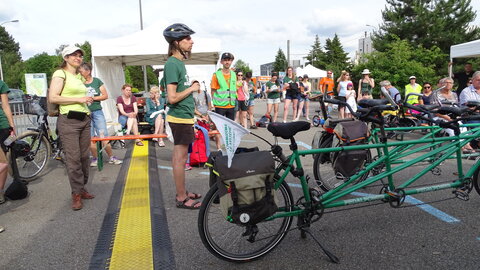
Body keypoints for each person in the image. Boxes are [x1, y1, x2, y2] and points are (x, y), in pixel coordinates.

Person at [48, 46, 94, 210]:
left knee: (84, 157)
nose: (78, 57)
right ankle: (76, 193)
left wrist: (86, 100)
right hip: (68, 120)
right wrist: (80, 98)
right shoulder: (60, 73)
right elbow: (53, 97)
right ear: (66, 57)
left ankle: (81, 188)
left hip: (84, 118)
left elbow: (79, 96)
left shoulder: (79, 77)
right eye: (74, 55)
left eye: (80, 55)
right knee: (73, 159)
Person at [163, 23, 202, 209]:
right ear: (176, 42)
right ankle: (181, 198)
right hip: (179, 118)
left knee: (180, 157)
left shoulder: (178, 63)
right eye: (187, 38)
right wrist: (192, 88)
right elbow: (172, 97)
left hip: (184, 117)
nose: (191, 41)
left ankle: (183, 191)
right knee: (180, 158)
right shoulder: (172, 63)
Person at [78, 62, 123, 167]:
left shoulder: (97, 81)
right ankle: (95, 158)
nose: (79, 73)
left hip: (97, 111)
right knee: (90, 137)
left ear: (88, 71)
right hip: (85, 113)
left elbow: (105, 95)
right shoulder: (79, 83)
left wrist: (93, 98)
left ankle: (111, 157)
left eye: (81, 71)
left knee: (103, 135)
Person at [0, 79, 15, 205]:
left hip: (2, 125)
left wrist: (11, 125)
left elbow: (5, 105)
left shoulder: (1, 83)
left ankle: (0, 191)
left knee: (2, 162)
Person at [211, 52, 237, 120]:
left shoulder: (234, 74)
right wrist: (214, 104)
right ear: (221, 62)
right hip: (220, 105)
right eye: (225, 60)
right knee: (219, 127)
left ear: (231, 61)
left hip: (231, 105)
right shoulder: (216, 75)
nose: (227, 62)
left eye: (229, 60)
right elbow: (213, 90)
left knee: (230, 127)